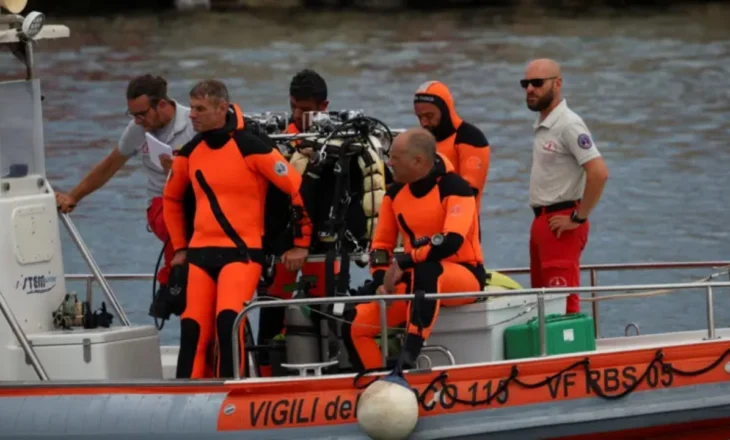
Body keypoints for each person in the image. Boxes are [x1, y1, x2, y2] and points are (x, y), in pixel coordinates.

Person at [163, 79, 313, 379]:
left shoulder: (251, 146)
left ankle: (233, 393)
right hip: (199, 255)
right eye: (191, 108)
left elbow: (296, 188)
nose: (191, 115)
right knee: (192, 328)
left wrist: (301, 243)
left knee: (228, 322)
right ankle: (183, 399)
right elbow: (171, 198)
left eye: (199, 108)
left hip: (242, 255)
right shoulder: (190, 153)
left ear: (222, 108)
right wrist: (180, 248)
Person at [342, 127, 487, 372]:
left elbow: (451, 241)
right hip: (414, 278)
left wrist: (407, 261)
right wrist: (379, 278)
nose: (389, 163)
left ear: (417, 161)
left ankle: (409, 355)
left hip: (464, 276)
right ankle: (374, 380)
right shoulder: (395, 193)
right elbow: (381, 247)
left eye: (395, 159)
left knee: (428, 271)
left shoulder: (455, 188)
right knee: (354, 322)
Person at [55, 74, 196, 291]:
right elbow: (110, 165)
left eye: (142, 114)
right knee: (177, 225)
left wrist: (182, 169)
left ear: (162, 104)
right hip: (161, 201)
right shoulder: (137, 129)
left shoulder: (193, 124)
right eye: (132, 114)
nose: (138, 121)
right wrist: (73, 196)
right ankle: (173, 282)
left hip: (196, 198)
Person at [522, 58, 609, 314]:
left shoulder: (568, 124)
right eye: (525, 84)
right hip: (542, 220)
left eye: (537, 83)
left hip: (561, 221)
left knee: (561, 303)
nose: (530, 89)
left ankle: (573, 352)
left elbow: (599, 173)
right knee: (543, 301)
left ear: (557, 84)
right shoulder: (543, 124)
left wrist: (579, 217)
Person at [413, 80, 491, 207]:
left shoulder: (469, 138)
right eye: (419, 117)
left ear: (445, 110)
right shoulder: (423, 140)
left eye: (429, 116)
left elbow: (469, 193)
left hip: (459, 223)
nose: (423, 123)